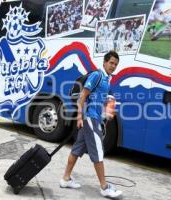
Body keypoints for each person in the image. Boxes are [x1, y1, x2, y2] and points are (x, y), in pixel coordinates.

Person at [60, 51, 123, 199]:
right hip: (90, 119)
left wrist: (107, 109)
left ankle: (65, 179)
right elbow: (82, 96)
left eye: (115, 64)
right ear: (104, 62)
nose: (113, 66)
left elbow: (99, 98)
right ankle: (104, 187)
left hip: (94, 118)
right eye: (111, 63)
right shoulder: (97, 76)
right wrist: (79, 117)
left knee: (76, 149)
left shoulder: (107, 80)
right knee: (98, 153)